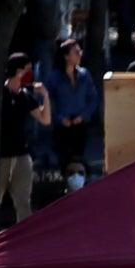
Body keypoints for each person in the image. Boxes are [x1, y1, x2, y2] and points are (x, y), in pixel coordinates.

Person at [0, 54, 52, 225]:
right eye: (28, 69)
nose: (30, 73)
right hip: (1, 156)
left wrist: (46, 96)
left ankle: (24, 238)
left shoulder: (25, 96)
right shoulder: (1, 94)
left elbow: (45, 119)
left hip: (21, 155)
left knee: (24, 202)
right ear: (19, 71)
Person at [42, 34, 100, 185]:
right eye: (76, 52)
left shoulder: (84, 75)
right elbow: (46, 101)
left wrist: (84, 115)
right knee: (65, 160)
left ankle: (79, 189)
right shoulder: (54, 77)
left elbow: (93, 98)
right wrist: (59, 118)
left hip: (80, 125)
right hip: (63, 126)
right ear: (66, 57)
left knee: (79, 159)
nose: (79, 55)